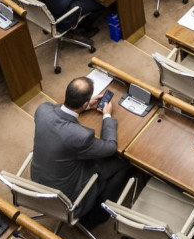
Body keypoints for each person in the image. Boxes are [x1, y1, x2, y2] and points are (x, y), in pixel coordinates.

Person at [31, 77, 129, 227]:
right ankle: (95, 216)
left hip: (39, 182)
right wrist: (107, 115)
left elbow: (58, 110)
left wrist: (86, 106)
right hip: (67, 197)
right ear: (83, 102)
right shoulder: (80, 136)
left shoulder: (42, 110)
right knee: (122, 163)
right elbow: (110, 147)